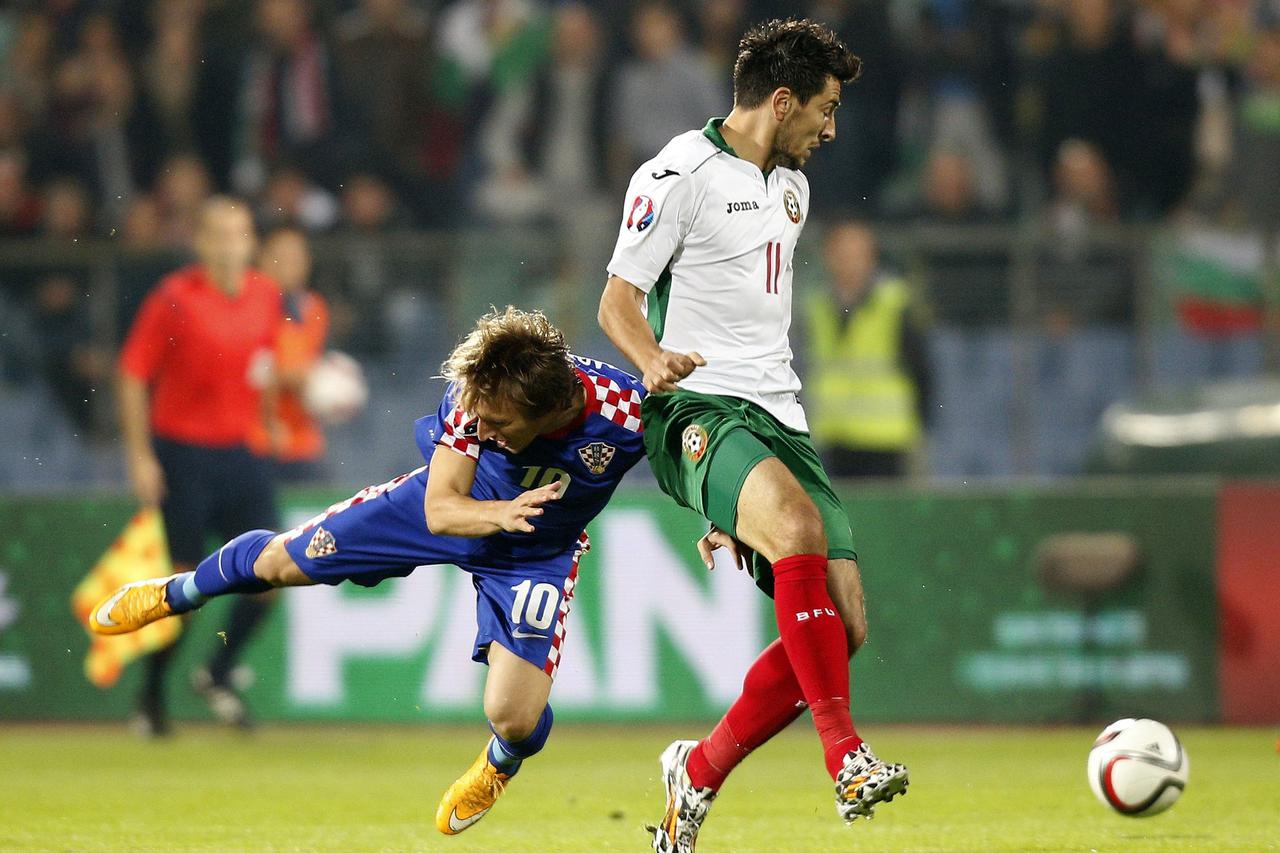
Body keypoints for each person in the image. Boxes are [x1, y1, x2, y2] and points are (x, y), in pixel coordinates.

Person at [91, 307, 647, 836]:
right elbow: (439, 508)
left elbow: (684, 461)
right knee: (284, 561)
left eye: (500, 424)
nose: (483, 427)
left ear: (548, 411)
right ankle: (178, 592)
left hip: (536, 554)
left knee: (514, 717)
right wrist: (499, 511)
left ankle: (498, 766)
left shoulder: (628, 413)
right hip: (450, 506)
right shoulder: (480, 393)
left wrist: (715, 521)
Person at [596, 18, 908, 850]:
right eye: (825, 108)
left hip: (779, 417)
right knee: (799, 530)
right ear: (781, 100)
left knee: (843, 627)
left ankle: (695, 773)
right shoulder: (678, 174)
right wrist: (651, 360)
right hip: (694, 407)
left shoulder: (794, 190)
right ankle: (845, 757)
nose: (830, 128)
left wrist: (739, 498)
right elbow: (616, 303)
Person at [116, 196, 284, 735]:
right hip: (183, 454)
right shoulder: (174, 298)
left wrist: (269, 418)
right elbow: (132, 373)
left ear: (250, 241)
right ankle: (150, 697)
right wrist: (140, 456)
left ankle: (217, 670)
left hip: (241, 453)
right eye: (220, 233)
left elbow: (262, 364)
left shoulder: (265, 294)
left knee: (275, 571)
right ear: (202, 242)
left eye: (240, 232)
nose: (231, 243)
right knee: (185, 587)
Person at [804, 220, 930, 479]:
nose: (849, 261)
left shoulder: (895, 301)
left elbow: (922, 367)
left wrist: (922, 427)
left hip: (885, 438)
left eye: (857, 252)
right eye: (842, 252)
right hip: (832, 436)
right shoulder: (817, 305)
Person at [248, 226, 330, 482]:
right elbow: (250, 372)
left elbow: (306, 366)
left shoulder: (314, 307)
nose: (289, 265)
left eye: (297, 258)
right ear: (262, 260)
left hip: (303, 441)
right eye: (280, 257)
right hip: (254, 440)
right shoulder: (245, 306)